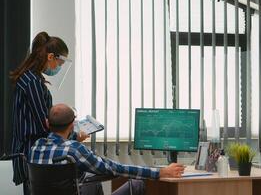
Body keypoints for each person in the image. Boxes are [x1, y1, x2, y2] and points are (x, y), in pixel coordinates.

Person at [29, 104, 186, 195]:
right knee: (137, 184)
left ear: (47, 123)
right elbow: (114, 168)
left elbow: (58, 145)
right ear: (72, 125)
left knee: (94, 184)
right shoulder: (74, 150)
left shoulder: (35, 147)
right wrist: (159, 172)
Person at [9, 31, 88, 194]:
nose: (59, 67)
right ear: (50, 57)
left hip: (30, 154)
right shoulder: (32, 82)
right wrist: (74, 136)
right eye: (60, 63)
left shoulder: (29, 78)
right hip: (32, 154)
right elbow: (45, 124)